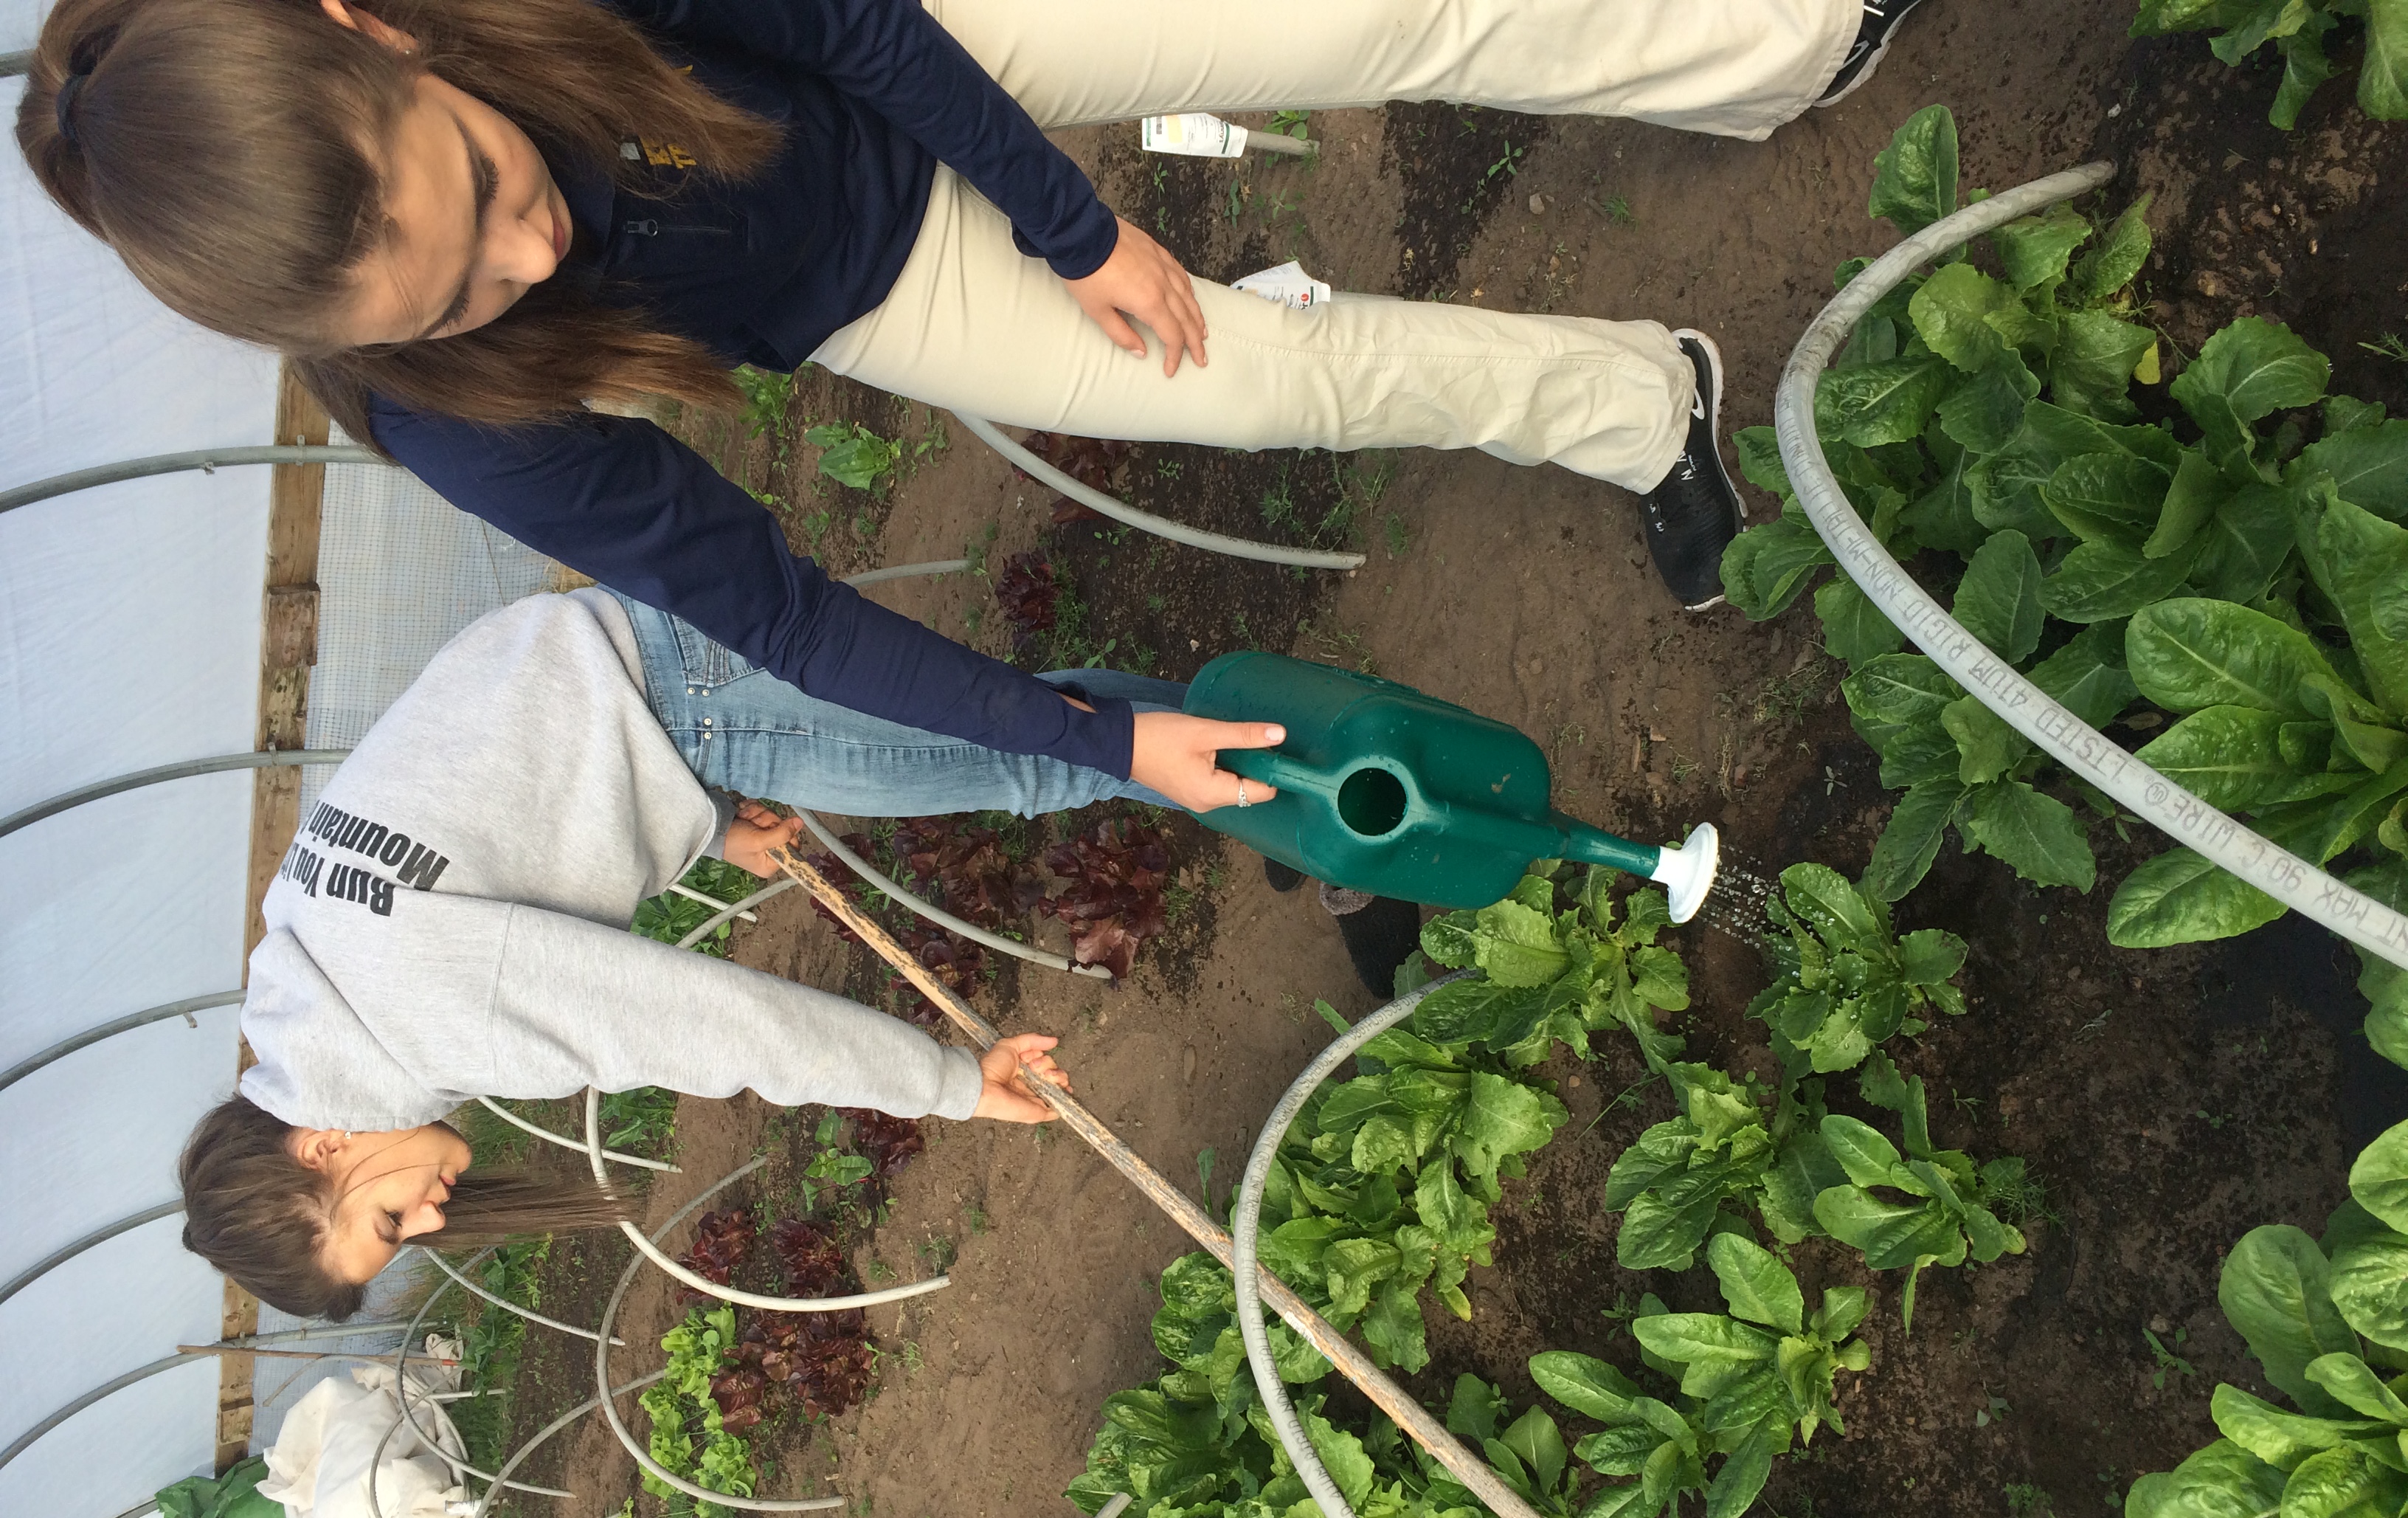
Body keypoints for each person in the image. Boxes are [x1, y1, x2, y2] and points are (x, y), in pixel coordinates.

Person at [19, 0, 1933, 696]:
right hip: (861, 276)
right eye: (456, 298)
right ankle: (1643, 405)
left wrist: (1079, 220)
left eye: (487, 188)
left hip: (915, 36)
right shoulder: (448, 409)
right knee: (1270, 386)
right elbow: (769, 611)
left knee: (1369, 21)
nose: (534, 255)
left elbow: (851, 24)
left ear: (382, 31)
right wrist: (1101, 747)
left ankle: (1796, 34)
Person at [178, 583, 1217, 1322]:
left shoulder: (423, 1017)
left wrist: (952, 1084)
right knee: (1024, 731)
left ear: (321, 1147)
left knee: (1038, 761)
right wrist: (709, 826)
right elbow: (484, 801)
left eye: (390, 1217)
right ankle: (1253, 742)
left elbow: (721, 1024)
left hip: (684, 700)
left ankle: (1311, 771)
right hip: (614, 661)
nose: (432, 1215)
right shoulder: (307, 958)